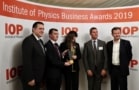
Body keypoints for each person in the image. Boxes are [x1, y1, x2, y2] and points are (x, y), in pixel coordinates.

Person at [21, 21, 46, 90]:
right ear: (33, 29)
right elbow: (26, 61)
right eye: (40, 29)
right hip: (31, 79)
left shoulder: (40, 41)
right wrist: (30, 78)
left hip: (38, 77)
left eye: (43, 29)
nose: (42, 31)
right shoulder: (28, 41)